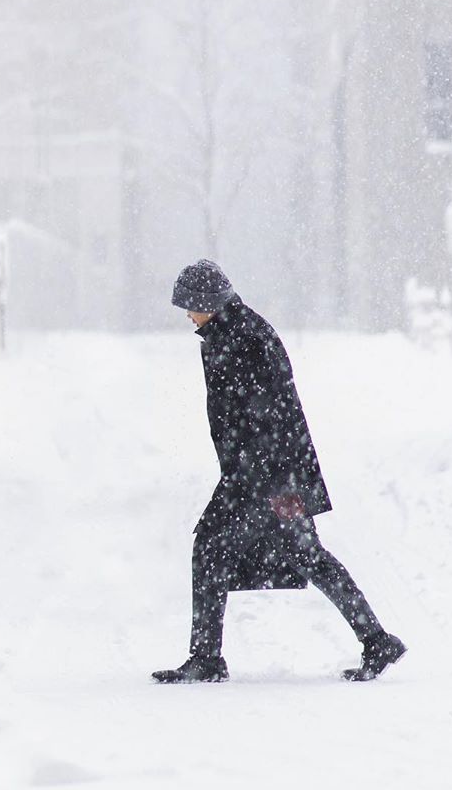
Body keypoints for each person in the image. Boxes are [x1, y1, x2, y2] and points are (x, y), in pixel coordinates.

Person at [153, 259, 405, 684]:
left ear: (207, 301)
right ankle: (376, 640)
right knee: (303, 555)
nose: (188, 317)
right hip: (264, 474)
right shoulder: (231, 331)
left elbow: (268, 413)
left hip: (265, 476)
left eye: (190, 307)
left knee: (215, 550)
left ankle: (207, 658)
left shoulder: (243, 337)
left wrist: (263, 479)